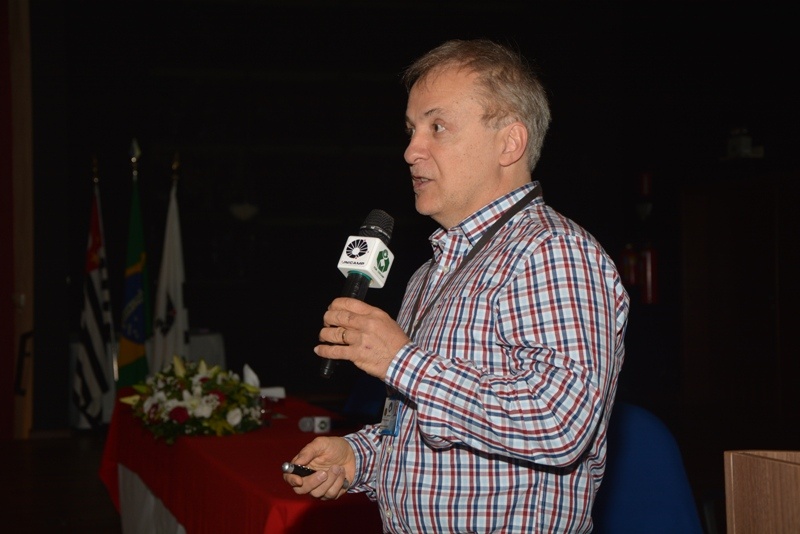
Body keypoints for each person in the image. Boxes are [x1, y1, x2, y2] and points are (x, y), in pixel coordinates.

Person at [284, 38, 630, 533]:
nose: (410, 150)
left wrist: (401, 361)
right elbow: (426, 433)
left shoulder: (551, 251)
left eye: (437, 126)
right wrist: (356, 458)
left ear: (509, 142)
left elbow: (558, 424)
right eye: (411, 130)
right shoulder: (431, 272)